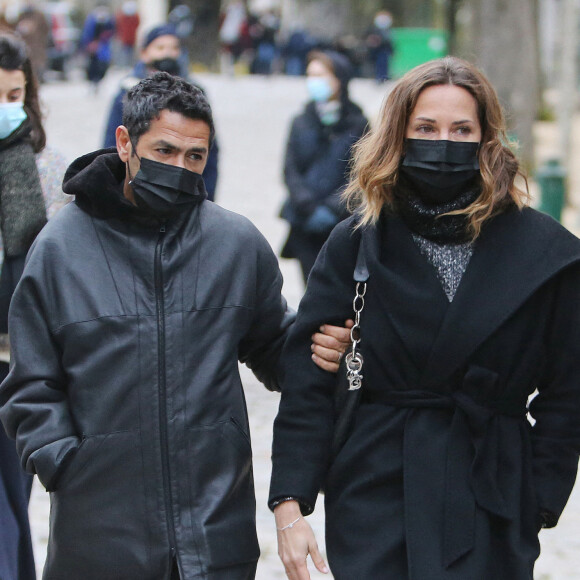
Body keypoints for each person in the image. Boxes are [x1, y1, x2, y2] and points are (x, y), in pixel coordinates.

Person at [0, 71, 349, 580]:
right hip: (97, 535)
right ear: (125, 143)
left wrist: (326, 348)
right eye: (163, 151)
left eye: (195, 157)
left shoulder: (235, 245)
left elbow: (277, 349)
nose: (180, 168)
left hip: (214, 528)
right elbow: (30, 383)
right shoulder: (59, 248)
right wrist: (67, 462)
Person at [269, 56, 580, 580]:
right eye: (426, 128)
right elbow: (307, 379)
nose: (444, 143)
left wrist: (539, 496)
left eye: (462, 129)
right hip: (375, 483)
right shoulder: (357, 241)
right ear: (397, 136)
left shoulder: (546, 253)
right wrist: (289, 502)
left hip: (490, 489)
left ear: (487, 139)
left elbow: (569, 390)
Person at [0, 31, 68, 580]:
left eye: (15, 93)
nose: (7, 107)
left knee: (13, 505)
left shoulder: (47, 165)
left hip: (18, 364)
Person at [279, 50, 368, 283]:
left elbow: (361, 174)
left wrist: (333, 208)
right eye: (311, 75)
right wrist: (307, 205)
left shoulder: (358, 123)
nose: (314, 82)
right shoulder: (301, 121)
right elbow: (290, 169)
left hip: (342, 222)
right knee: (309, 286)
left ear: (340, 79)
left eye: (321, 75)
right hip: (303, 221)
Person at [103, 23, 220, 201]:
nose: (168, 53)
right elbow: (110, 147)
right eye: (160, 47)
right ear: (145, 53)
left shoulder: (196, 93)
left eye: (174, 48)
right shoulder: (126, 93)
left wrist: (206, 197)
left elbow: (210, 149)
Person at [80, 4, 115, 92]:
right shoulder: (91, 20)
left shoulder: (109, 20)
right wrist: (90, 44)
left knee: (103, 66)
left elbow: (111, 32)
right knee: (93, 66)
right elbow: (87, 34)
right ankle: (93, 82)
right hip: (93, 49)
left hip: (103, 48)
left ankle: (98, 81)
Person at [365, 10, 394, 83]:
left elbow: (389, 42)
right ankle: (378, 77)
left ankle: (383, 77)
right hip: (376, 51)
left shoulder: (388, 30)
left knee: (384, 65)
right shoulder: (373, 29)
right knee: (377, 65)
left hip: (384, 51)